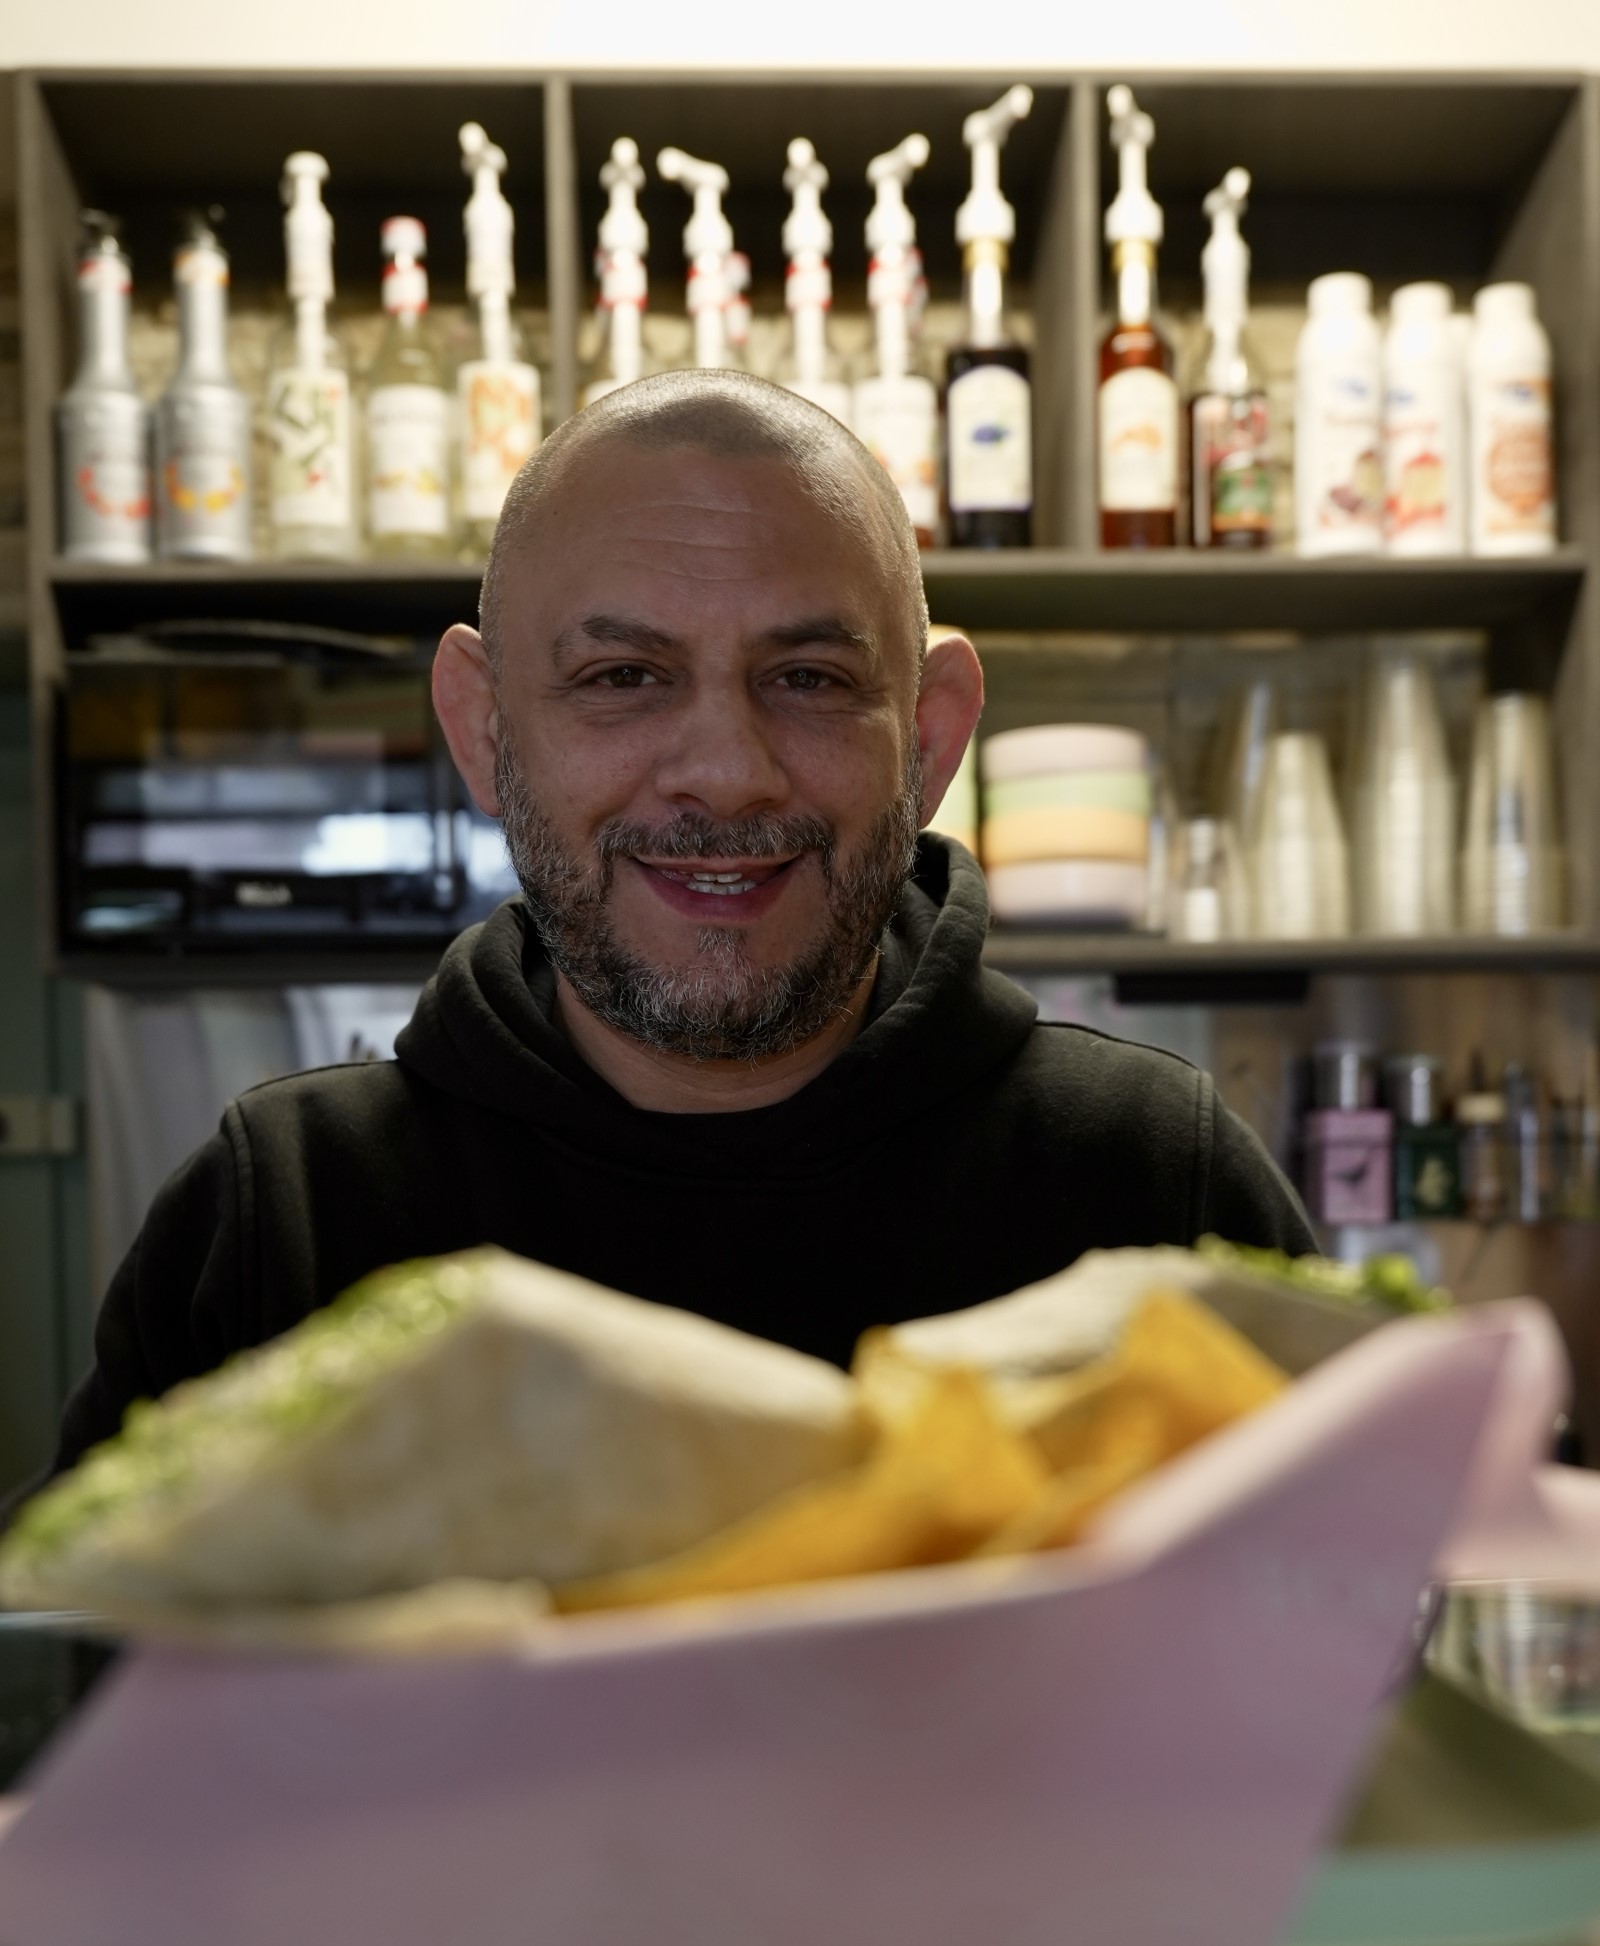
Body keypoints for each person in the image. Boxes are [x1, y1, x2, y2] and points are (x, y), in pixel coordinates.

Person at [38, 370, 1310, 1485]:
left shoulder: (1158, 1187)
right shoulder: (284, 1215)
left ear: (929, 738)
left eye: (808, 679)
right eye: (623, 678)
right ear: (483, 727)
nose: (724, 773)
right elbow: (78, 1672)